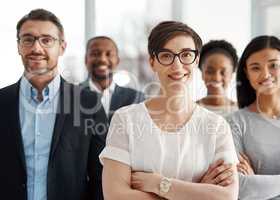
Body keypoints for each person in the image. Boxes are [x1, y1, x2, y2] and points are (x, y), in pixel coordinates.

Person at [100, 21, 239, 200]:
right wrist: (197, 192)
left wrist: (159, 184)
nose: (177, 65)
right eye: (166, 56)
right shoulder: (126, 119)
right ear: (152, 62)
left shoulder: (217, 126)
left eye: (186, 55)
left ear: (196, 60)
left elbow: (227, 197)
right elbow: (115, 196)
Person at [0, 9, 108, 200]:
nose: (37, 48)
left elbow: (101, 175)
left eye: (47, 40)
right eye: (28, 39)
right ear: (18, 46)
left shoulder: (88, 103)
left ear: (62, 47)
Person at [227, 35, 280, 199]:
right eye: (255, 67)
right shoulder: (233, 123)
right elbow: (241, 189)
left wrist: (258, 185)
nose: (265, 74)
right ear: (246, 73)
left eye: (273, 65)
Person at [82, 36, 145, 122]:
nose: (102, 59)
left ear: (117, 61)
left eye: (109, 54)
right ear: (86, 60)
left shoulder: (137, 99)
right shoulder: (71, 96)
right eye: (95, 53)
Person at [197, 40, 238, 117]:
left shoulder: (241, 112)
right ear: (202, 73)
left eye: (223, 72)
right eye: (210, 71)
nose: (216, 78)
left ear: (232, 74)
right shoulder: (190, 111)